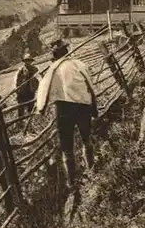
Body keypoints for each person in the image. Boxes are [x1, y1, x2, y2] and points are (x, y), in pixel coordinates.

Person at [36, 39, 98, 189]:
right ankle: (91, 170)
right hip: (83, 107)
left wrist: (41, 108)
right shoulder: (78, 64)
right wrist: (93, 106)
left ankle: (72, 181)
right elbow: (90, 85)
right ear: (66, 51)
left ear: (55, 54)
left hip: (64, 110)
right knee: (86, 138)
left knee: (66, 147)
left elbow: (43, 90)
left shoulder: (52, 70)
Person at [15, 54, 39, 119]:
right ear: (24, 61)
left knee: (31, 107)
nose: (28, 62)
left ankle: (30, 121)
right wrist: (17, 90)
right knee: (21, 108)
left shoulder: (35, 69)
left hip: (31, 91)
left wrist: (36, 87)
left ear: (31, 61)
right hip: (22, 92)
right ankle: (20, 122)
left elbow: (38, 79)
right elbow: (17, 81)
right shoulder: (21, 70)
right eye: (27, 60)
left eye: (29, 60)